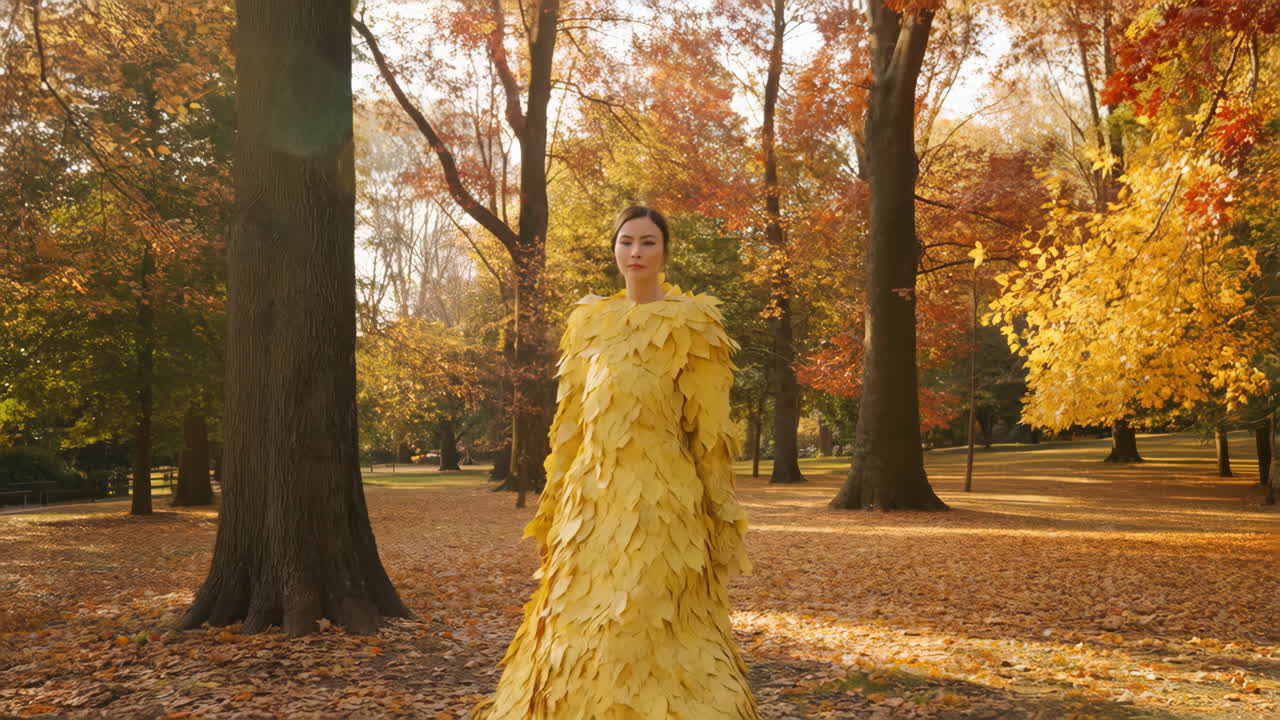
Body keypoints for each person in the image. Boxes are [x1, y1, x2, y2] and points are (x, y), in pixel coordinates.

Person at [470, 206, 758, 719]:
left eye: (648, 242)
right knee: (580, 616)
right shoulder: (587, 322)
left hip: (663, 504)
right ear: (614, 250)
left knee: (653, 614)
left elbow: (709, 432)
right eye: (627, 242)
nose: (636, 253)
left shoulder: (694, 324)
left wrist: (721, 514)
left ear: (666, 250)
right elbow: (571, 423)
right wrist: (555, 502)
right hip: (590, 506)